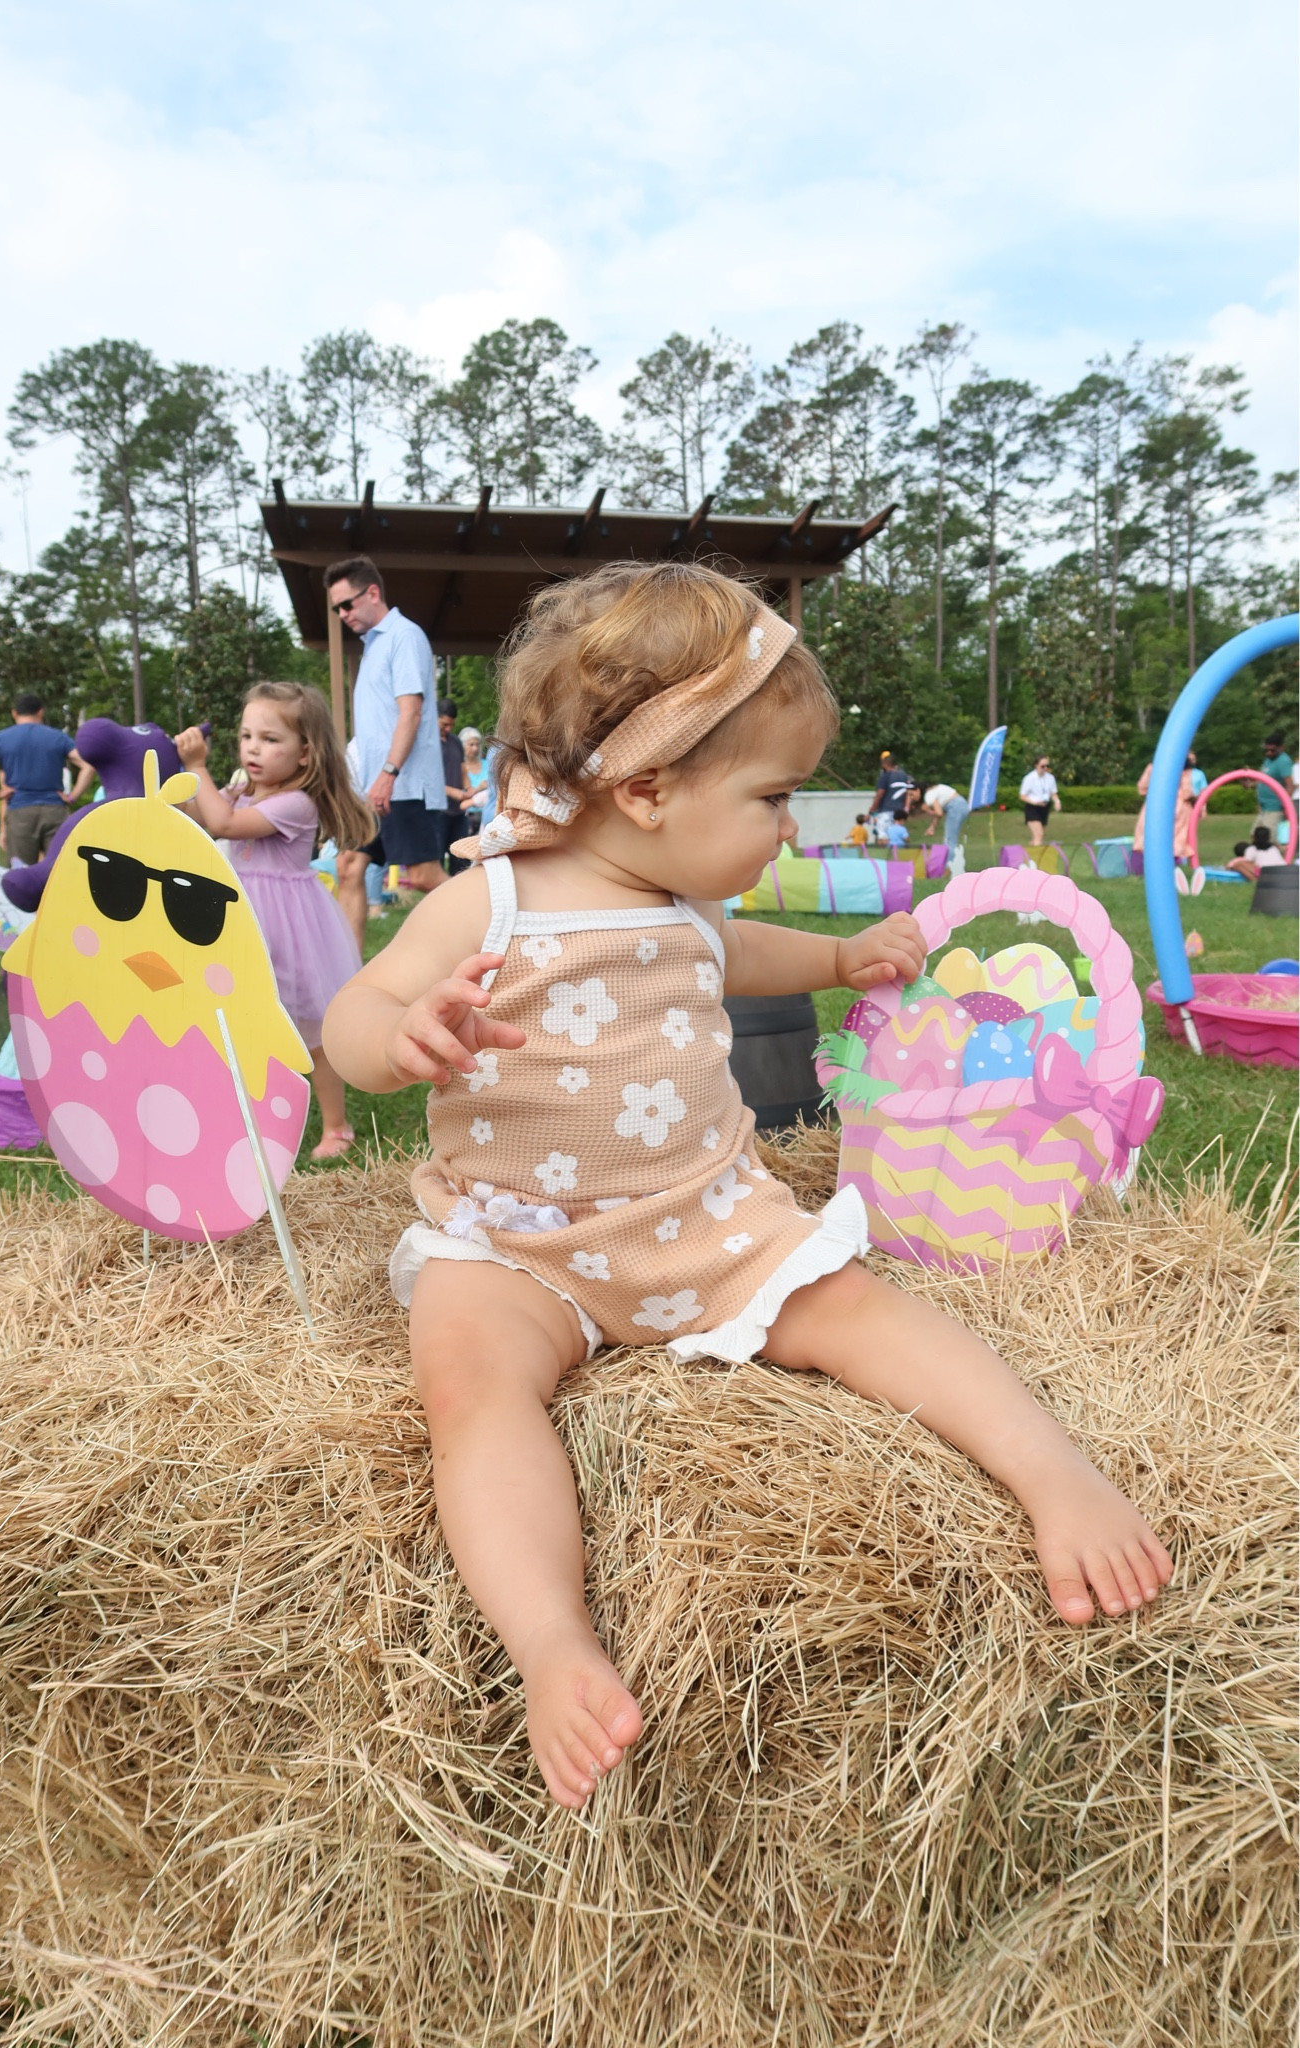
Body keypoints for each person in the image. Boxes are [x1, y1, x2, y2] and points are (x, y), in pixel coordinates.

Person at [322, 562, 1173, 1812]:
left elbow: (750, 954)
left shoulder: (685, 910)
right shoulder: (487, 899)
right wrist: (397, 1037)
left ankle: (1050, 1471)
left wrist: (839, 953)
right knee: (470, 1381)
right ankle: (551, 1638)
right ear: (649, 784)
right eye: (773, 795)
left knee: (865, 1306)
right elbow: (353, 1005)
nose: (789, 824)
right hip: (519, 1244)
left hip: (707, 1224)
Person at [176, 683, 377, 1162]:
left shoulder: (296, 804)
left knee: (310, 1030)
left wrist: (197, 768)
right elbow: (201, 820)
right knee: (239, 1023)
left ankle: (336, 1126)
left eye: (270, 739)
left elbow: (223, 825)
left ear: (305, 753)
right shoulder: (241, 790)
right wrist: (181, 791)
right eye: (247, 736)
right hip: (240, 921)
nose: (252, 748)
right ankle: (248, 1121)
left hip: (288, 927)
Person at [324, 557, 447, 949]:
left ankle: (499, 928)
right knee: (348, 866)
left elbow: (411, 713)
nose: (342, 614)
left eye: (346, 604)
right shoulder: (373, 645)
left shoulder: (403, 636)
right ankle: (346, 974)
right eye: (336, 608)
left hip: (403, 786)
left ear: (372, 593)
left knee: (426, 876)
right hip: (374, 789)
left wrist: (388, 773)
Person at [0, 693, 93, 865]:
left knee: (21, 872)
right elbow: (88, 765)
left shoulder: (2, 738)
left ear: (14, 713)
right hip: (54, 810)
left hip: (20, 811)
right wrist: (72, 796)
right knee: (59, 869)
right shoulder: (57, 737)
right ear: (40, 712)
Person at [437, 698, 471, 876]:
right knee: (437, 862)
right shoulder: (428, 745)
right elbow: (429, 782)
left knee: (461, 861)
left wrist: (468, 787)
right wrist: (453, 792)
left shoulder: (456, 741)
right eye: (444, 724)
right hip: (437, 813)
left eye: (451, 725)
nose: (448, 729)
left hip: (458, 813)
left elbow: (462, 767)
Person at [1133, 761, 1194, 859]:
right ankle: (1171, 863)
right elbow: (1187, 792)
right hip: (1178, 805)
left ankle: (1149, 861)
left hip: (1155, 804)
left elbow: (1142, 787)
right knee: (1176, 837)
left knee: (1150, 833)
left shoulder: (1153, 767)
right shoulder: (1184, 771)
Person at [1256, 734, 1294, 843]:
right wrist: (1250, 784)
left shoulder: (1283, 761)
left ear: (1281, 748)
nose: (1268, 753)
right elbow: (1264, 779)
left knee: (1268, 839)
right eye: (1266, 750)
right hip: (1264, 807)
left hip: (1275, 807)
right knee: (1255, 835)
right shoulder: (1268, 760)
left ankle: (1280, 859)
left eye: (1272, 750)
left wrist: (1286, 806)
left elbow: (1289, 785)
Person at [1018, 756, 1060, 846]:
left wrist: (1057, 801)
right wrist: (1035, 802)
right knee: (1039, 834)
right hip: (1033, 807)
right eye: (1042, 766)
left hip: (1044, 807)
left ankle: (1028, 856)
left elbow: (1053, 793)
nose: (1045, 768)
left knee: (1037, 836)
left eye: (1047, 766)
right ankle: (1036, 858)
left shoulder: (1050, 778)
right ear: (1036, 765)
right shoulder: (1029, 778)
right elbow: (1022, 796)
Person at [920, 781, 970, 854]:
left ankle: (949, 863)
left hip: (954, 807)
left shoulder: (928, 794)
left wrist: (928, 810)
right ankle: (952, 861)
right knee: (951, 838)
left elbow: (939, 813)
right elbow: (939, 813)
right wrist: (932, 827)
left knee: (949, 840)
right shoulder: (938, 787)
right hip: (963, 804)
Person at [868, 751, 912, 828]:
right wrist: (906, 809)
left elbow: (880, 794)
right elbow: (908, 793)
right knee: (896, 837)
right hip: (900, 814)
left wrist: (872, 809)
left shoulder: (885, 776)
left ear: (885, 763)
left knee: (884, 838)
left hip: (886, 811)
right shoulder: (904, 775)